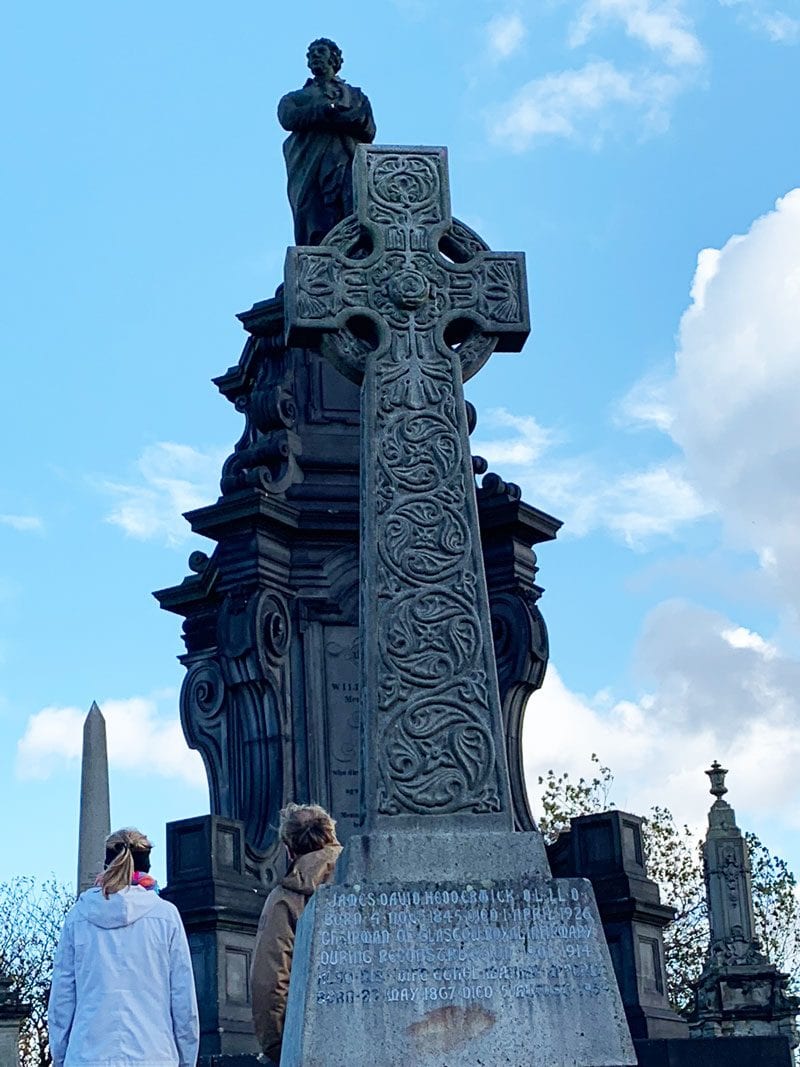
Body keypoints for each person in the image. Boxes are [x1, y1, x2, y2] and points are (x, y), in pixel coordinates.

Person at [48, 827, 199, 1067]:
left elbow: (62, 999)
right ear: (147, 865)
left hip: (87, 1056)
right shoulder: (166, 916)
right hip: (154, 1055)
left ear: (107, 864)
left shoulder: (78, 917)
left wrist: (61, 1056)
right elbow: (182, 999)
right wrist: (187, 1059)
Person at [251, 803, 342, 1065]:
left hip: (308, 1041)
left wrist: (277, 1047)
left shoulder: (285, 899)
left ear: (289, 850)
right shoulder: (364, 876)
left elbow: (269, 981)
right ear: (332, 836)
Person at [278, 38, 376, 246]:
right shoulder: (296, 97)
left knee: (351, 206)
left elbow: (368, 129)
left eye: (320, 51)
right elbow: (288, 118)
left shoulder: (356, 96)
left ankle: (354, 248)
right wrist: (325, 112)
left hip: (346, 159)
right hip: (309, 166)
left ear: (334, 57)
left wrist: (340, 118)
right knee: (314, 215)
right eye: (310, 53)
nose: (313, 55)